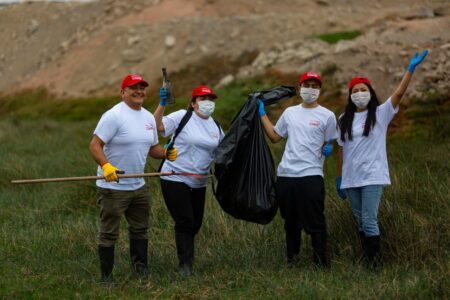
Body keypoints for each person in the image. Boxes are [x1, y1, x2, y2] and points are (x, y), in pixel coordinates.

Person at [335, 50, 429, 268]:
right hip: (351, 179)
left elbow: (398, 94)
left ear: (370, 92)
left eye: (363, 90)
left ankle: (374, 265)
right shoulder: (343, 119)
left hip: (372, 176)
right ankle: (366, 257)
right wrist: (339, 178)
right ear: (350, 96)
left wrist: (410, 70)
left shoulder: (380, 113)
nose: (359, 94)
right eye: (355, 91)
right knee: (359, 221)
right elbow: (341, 149)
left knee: (369, 220)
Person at [89, 74, 178, 283]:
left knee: (140, 229)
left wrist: (165, 153)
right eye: (133, 88)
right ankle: (106, 277)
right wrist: (106, 166)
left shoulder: (148, 117)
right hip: (113, 186)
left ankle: (140, 271)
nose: (139, 91)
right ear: (123, 92)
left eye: (142, 88)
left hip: (139, 186)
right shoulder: (113, 116)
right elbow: (94, 145)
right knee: (109, 233)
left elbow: (152, 148)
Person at [259, 72, 337, 267]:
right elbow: (275, 136)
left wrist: (329, 148)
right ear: (300, 87)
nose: (310, 89)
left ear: (319, 89)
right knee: (290, 221)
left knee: (315, 221)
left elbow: (329, 142)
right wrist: (262, 114)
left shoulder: (327, 116)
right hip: (286, 175)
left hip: (311, 175)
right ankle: (292, 261)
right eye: (307, 85)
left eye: (314, 86)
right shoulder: (290, 113)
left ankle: (320, 263)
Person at [153, 85, 224, 277]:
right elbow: (158, 127)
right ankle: (185, 265)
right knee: (184, 220)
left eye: (211, 99)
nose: (208, 102)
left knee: (195, 223)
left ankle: (188, 259)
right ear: (193, 103)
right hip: (174, 176)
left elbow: (224, 151)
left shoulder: (216, 126)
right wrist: (162, 105)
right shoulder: (181, 117)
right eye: (203, 99)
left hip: (199, 181)